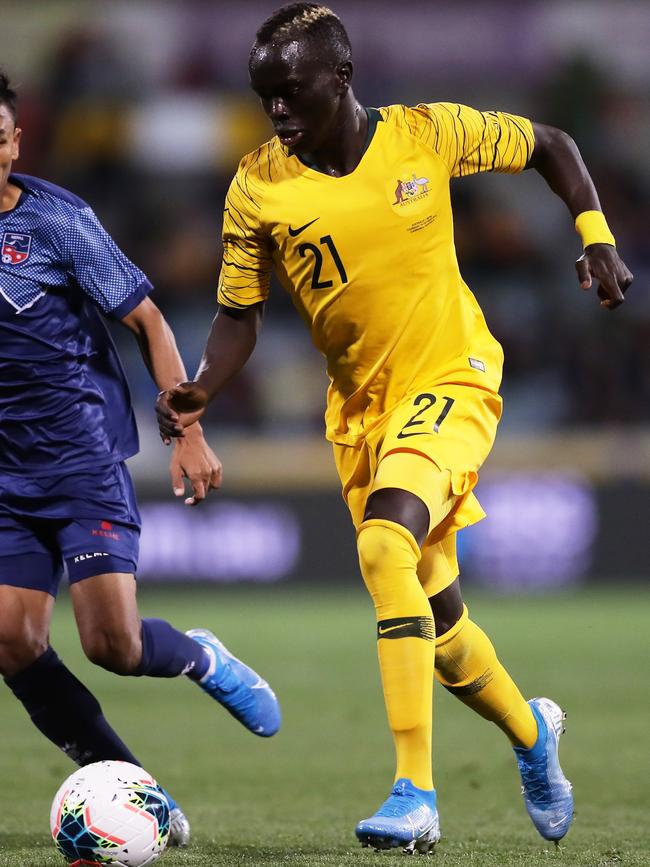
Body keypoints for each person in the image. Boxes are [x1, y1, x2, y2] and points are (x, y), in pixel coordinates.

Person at [156, 2, 634, 854]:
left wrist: (594, 234)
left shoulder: (426, 134)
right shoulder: (257, 184)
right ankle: (534, 737)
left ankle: (415, 791)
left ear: (340, 79)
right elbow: (238, 314)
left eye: (290, 91)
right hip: (362, 416)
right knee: (441, 631)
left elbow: (551, 144)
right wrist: (200, 389)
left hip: (453, 376)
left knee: (384, 547)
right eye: (264, 95)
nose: (276, 111)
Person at [0, 71, 281, 849]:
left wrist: (186, 429)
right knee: (12, 641)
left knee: (111, 646)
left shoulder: (59, 223)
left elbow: (148, 319)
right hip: (2, 477)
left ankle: (199, 655)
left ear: (15, 143)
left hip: (80, 458)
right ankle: (138, 792)